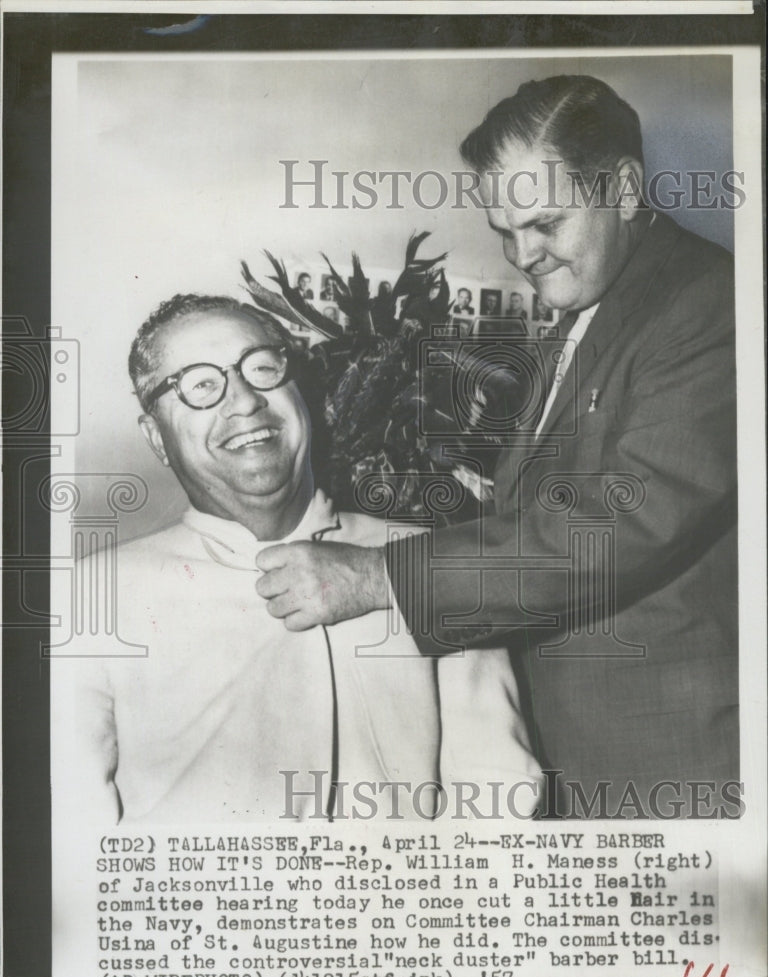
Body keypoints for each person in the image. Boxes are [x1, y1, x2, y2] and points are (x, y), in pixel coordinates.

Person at [255, 75, 738, 818]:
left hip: (666, 771)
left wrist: (380, 577)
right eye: (505, 231)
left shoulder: (710, 301)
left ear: (624, 190)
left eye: (545, 223)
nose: (524, 254)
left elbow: (621, 522)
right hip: (575, 764)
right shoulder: (589, 310)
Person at [67, 294, 540, 824]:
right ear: (157, 437)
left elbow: (499, 795)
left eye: (262, 368)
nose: (244, 400)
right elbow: (70, 832)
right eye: (199, 385)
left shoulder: (434, 565)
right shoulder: (96, 594)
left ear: (302, 392)